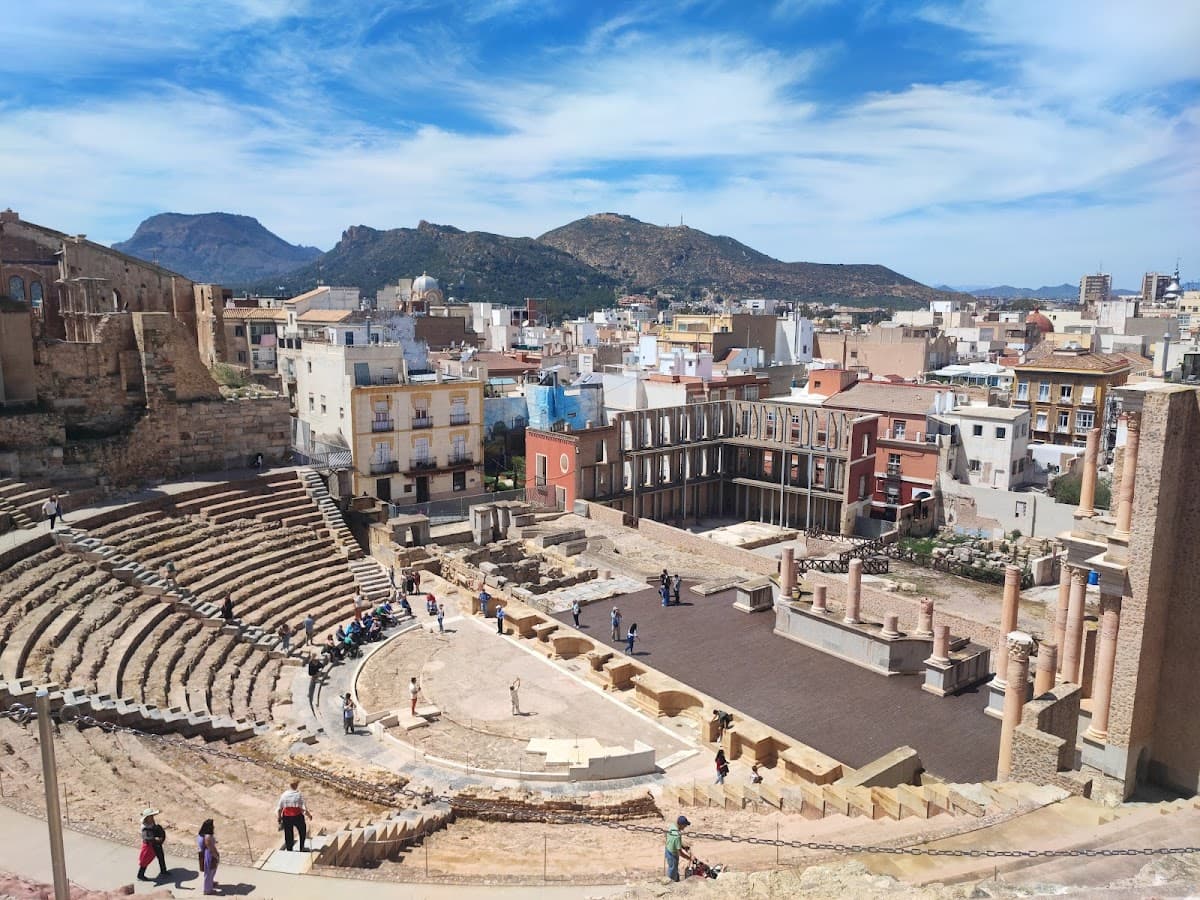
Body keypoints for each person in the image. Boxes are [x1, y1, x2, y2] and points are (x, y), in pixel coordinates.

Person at [277, 780, 312, 852]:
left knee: (288, 834)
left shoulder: (284, 795)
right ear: (296, 785)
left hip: (287, 816)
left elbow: (280, 808)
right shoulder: (298, 795)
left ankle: (289, 849)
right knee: (302, 831)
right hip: (297, 816)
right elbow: (303, 808)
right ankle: (302, 847)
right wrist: (309, 815)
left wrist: (279, 817)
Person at [136, 808, 167, 881]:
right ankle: (140, 875)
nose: (152, 817)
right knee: (145, 861)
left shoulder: (152, 823)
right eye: (151, 816)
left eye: (152, 816)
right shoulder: (145, 828)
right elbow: (145, 837)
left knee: (161, 857)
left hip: (156, 844)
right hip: (149, 846)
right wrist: (154, 839)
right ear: (147, 818)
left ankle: (163, 871)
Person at [664, 815, 692, 882]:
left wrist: (683, 846)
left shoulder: (672, 827)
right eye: (685, 825)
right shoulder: (677, 836)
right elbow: (680, 853)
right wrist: (689, 858)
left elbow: (671, 839)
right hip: (672, 854)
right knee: (672, 870)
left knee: (674, 869)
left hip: (668, 850)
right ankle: (670, 883)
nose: (685, 827)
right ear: (681, 825)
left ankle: (677, 880)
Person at [197, 818, 219, 895]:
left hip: (204, 853)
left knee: (212, 870)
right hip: (209, 855)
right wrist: (216, 855)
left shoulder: (201, 834)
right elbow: (210, 847)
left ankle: (211, 883)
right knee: (209, 872)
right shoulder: (208, 837)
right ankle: (207, 890)